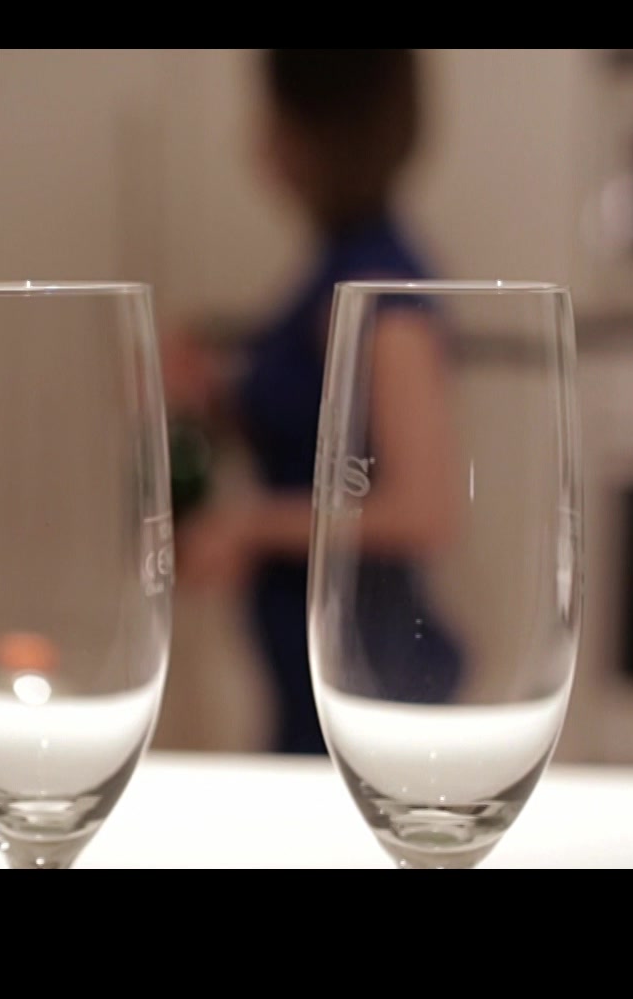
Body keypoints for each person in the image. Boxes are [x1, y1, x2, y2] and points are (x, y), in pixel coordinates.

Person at [165, 49, 464, 756]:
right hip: (311, 666)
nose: (258, 133)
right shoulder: (335, 266)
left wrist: (248, 527)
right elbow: (316, 438)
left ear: (318, 130)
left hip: (370, 670)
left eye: (274, 113)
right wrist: (215, 396)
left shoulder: (379, 288)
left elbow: (424, 510)